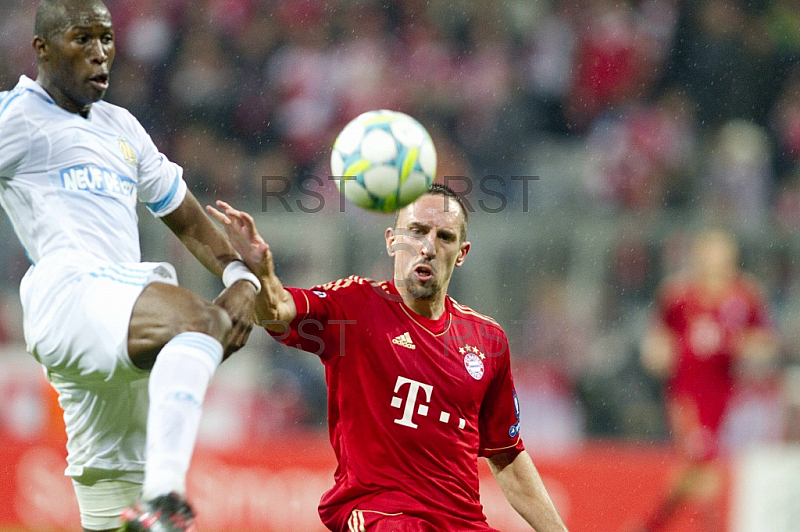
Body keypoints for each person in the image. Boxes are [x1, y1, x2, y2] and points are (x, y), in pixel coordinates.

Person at [0, 1, 261, 531]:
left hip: (118, 319)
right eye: (82, 39)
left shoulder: (121, 126)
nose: (100, 54)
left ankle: (144, 499)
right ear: (42, 48)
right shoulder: (17, 117)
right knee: (200, 321)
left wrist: (239, 274)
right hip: (68, 292)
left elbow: (186, 219)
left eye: (107, 38)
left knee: (111, 496)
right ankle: (165, 494)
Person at [207, 184, 568, 532]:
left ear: (462, 253)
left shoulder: (487, 340)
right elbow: (277, 310)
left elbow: (506, 453)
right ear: (392, 240)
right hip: (381, 514)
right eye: (416, 231)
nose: (427, 246)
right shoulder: (355, 308)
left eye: (444, 237)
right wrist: (261, 272)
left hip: (463, 523)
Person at [639, 229, 779, 531]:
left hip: (726, 396)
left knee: (696, 471)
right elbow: (657, 342)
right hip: (686, 394)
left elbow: (766, 343)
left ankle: (651, 524)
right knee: (703, 466)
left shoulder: (745, 296)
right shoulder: (678, 295)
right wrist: (659, 354)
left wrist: (743, 345)